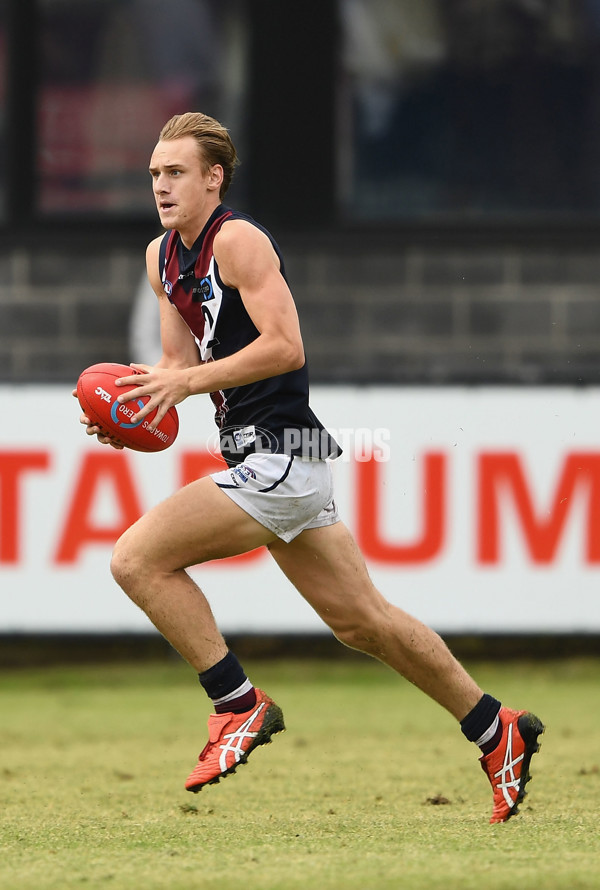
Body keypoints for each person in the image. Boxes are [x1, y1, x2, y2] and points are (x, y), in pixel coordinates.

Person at [77, 112, 544, 824]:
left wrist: (188, 384)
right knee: (364, 624)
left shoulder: (239, 240)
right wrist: (130, 410)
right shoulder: (161, 258)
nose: (161, 187)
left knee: (136, 560)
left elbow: (287, 346)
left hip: (283, 454)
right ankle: (494, 727)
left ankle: (237, 704)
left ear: (213, 177)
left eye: (175, 173)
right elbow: (175, 369)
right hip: (267, 458)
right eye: (153, 175)